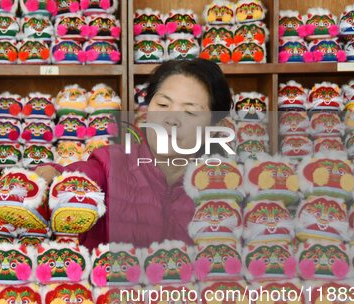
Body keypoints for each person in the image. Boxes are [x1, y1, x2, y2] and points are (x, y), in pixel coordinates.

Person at [36, 58, 233, 250]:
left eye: (189, 112)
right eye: (163, 105)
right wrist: (51, 177)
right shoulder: (111, 164)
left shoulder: (227, 189)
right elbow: (78, 177)